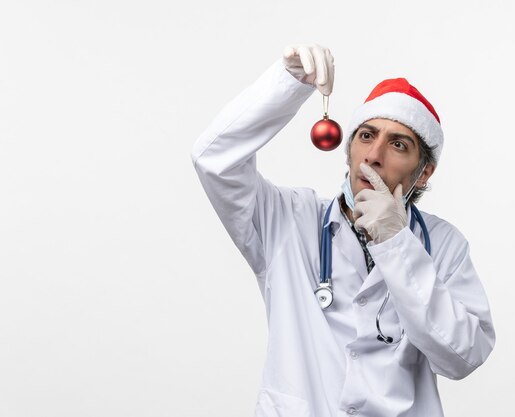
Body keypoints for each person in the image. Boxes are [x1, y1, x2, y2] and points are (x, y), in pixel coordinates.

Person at [191, 44, 495, 417]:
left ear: (424, 172)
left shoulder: (445, 245)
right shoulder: (288, 219)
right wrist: (287, 84)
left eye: (398, 144)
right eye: (366, 136)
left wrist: (397, 243)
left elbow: (463, 356)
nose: (374, 155)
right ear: (349, 147)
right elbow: (214, 161)